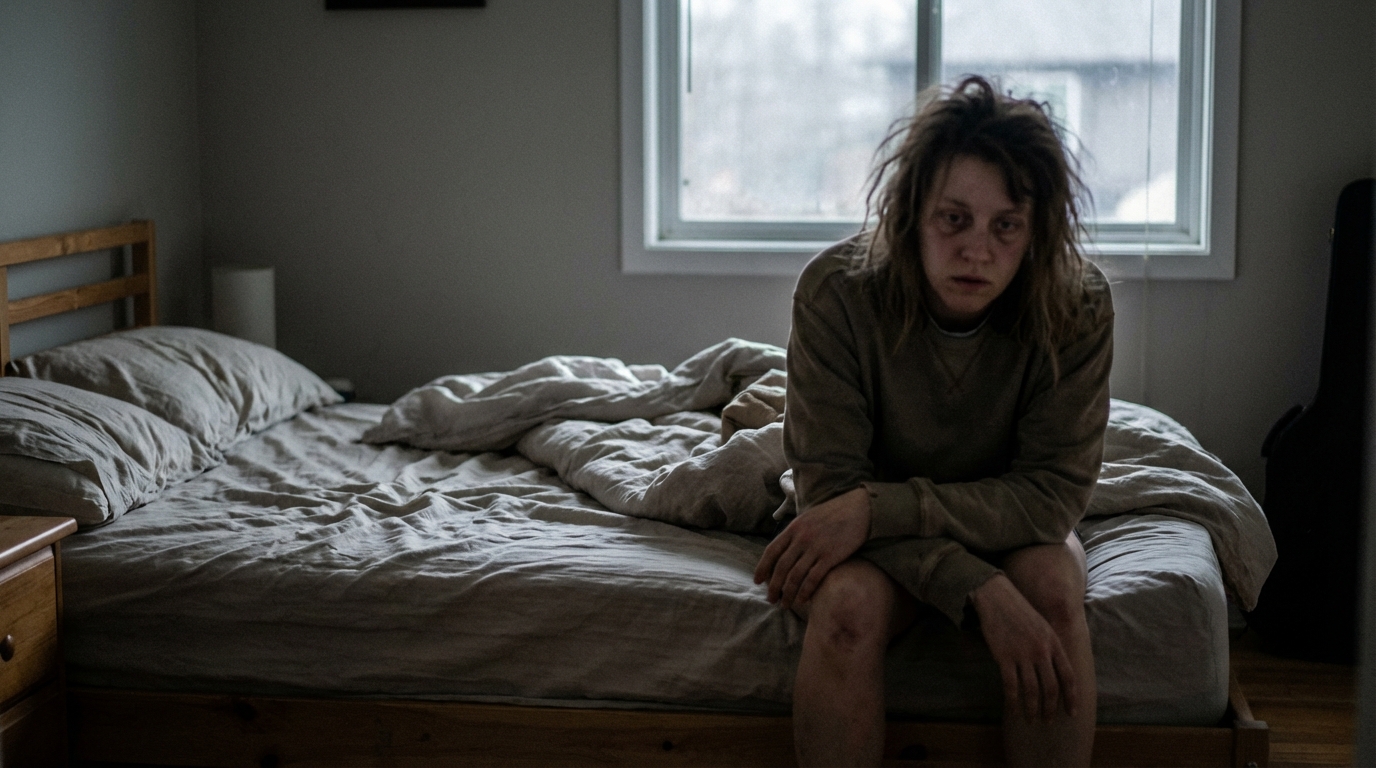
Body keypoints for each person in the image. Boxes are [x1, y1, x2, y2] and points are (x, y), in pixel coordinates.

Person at [754, 75, 1114, 767]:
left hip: (990, 522)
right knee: (846, 608)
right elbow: (830, 500)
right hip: (875, 543)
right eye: (954, 219)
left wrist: (878, 509)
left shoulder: (1079, 306)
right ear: (912, 213)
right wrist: (977, 587)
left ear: (1035, 232)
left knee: (1054, 592)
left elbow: (1050, 498)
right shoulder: (837, 293)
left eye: (1006, 226)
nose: (978, 250)